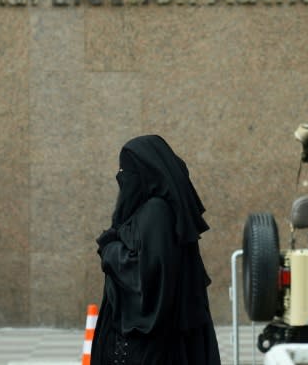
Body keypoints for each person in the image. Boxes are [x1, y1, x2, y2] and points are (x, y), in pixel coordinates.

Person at [91, 135, 221, 364]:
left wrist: (109, 250)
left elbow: (146, 275)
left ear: (144, 174)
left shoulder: (156, 212)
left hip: (152, 346)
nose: (120, 177)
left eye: (125, 170)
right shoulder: (155, 212)